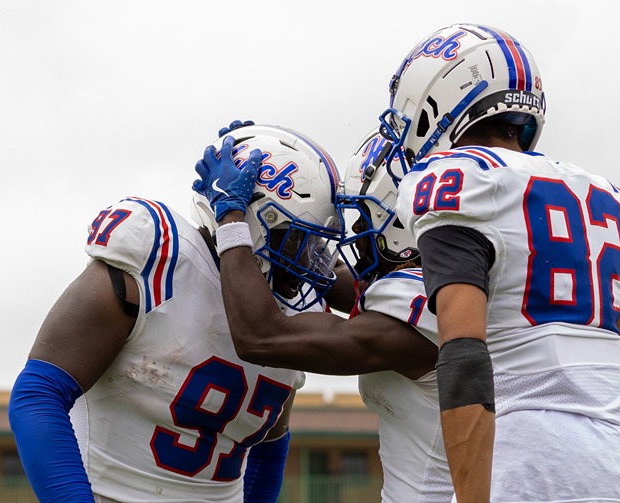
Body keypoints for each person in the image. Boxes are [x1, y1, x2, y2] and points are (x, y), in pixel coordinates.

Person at [380, 23, 620, 501]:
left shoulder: (459, 180)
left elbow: (464, 358)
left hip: (525, 470)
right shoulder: (601, 197)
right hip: (616, 470)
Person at [7, 124, 344, 503]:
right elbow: (38, 394)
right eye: (301, 239)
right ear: (256, 222)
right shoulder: (160, 258)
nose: (312, 259)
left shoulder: (288, 316)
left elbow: (270, 443)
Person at [192, 127, 453, 502]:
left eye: (364, 220)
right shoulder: (450, 287)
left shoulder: (418, 314)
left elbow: (260, 336)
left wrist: (234, 218)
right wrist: (262, 165)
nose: (355, 237)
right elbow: (325, 278)